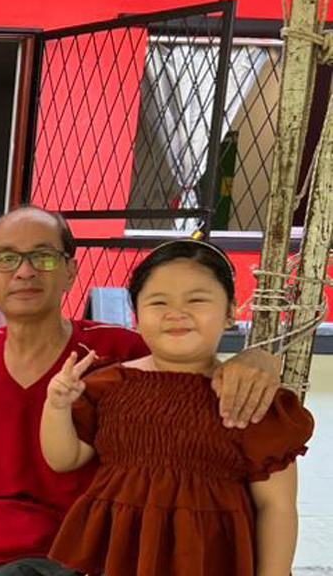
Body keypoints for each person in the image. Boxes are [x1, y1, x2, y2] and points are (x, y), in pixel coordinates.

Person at [0, 206, 286, 576]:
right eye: (7, 259)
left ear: (70, 271)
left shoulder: (116, 351)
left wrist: (254, 359)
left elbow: (187, 357)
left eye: (42, 257)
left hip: (72, 549)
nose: (24, 271)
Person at [42, 239, 312, 576]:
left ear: (231, 311)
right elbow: (64, 458)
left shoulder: (249, 397)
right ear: (136, 315)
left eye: (196, 299)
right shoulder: (108, 385)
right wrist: (56, 406)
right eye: (158, 302)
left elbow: (277, 506)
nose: (176, 313)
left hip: (211, 559)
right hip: (124, 556)